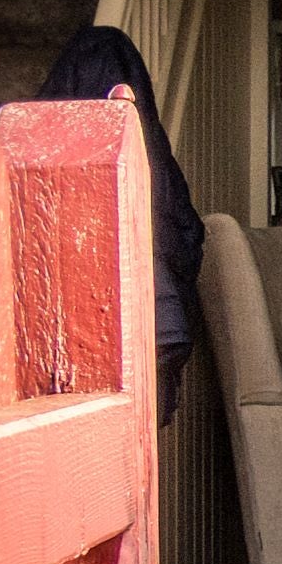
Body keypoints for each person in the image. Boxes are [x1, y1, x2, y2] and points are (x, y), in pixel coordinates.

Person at [36, 25, 201, 423]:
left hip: (63, 347)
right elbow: (186, 240)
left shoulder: (29, 161)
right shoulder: (153, 163)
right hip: (146, 335)